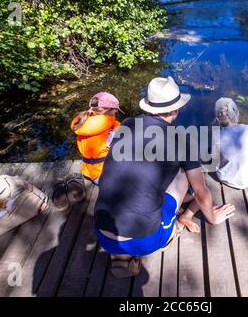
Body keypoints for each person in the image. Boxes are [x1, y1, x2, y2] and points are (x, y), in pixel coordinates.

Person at [94, 76, 235, 278]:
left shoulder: (126, 124)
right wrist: (212, 217)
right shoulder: (181, 139)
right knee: (186, 175)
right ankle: (170, 231)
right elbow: (201, 191)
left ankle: (121, 256)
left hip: (103, 233)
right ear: (175, 110)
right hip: (145, 239)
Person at [175, 98, 248, 233]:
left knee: (201, 181)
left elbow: (213, 162)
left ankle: (188, 202)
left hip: (228, 178)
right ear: (237, 113)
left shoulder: (216, 135)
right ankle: (187, 204)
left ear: (218, 119)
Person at [70, 92, 123, 184]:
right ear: (109, 110)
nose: (115, 115)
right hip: (104, 175)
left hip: (87, 171)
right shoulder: (113, 126)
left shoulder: (82, 122)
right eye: (115, 112)